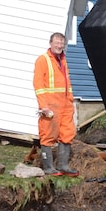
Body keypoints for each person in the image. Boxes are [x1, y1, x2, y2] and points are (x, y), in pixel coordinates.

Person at [33, 32, 79, 177]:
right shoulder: (43, 60)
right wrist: (43, 106)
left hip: (65, 104)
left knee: (67, 133)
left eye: (61, 43)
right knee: (48, 134)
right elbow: (38, 84)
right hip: (51, 105)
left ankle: (63, 165)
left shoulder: (63, 59)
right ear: (50, 43)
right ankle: (48, 167)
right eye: (57, 43)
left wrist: (70, 101)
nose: (59, 46)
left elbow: (66, 83)